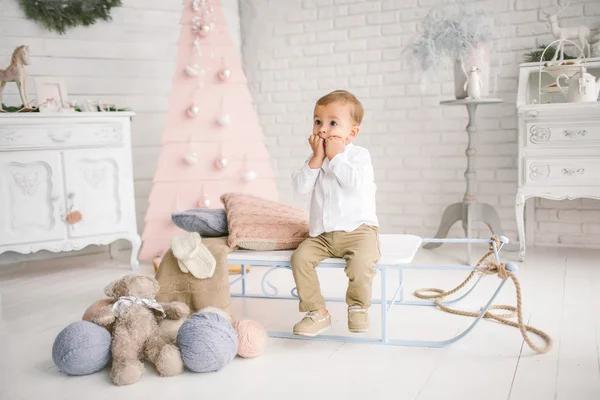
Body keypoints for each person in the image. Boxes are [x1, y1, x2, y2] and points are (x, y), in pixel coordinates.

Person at [290, 89, 380, 337]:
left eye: (332, 123)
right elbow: (300, 187)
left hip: (358, 231)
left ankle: (358, 306)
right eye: (318, 121)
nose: (323, 129)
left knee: (361, 263)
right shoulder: (316, 159)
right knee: (300, 258)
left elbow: (355, 184)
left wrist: (336, 157)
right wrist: (317, 160)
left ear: (352, 133)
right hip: (323, 235)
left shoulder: (358, 156)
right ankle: (317, 312)